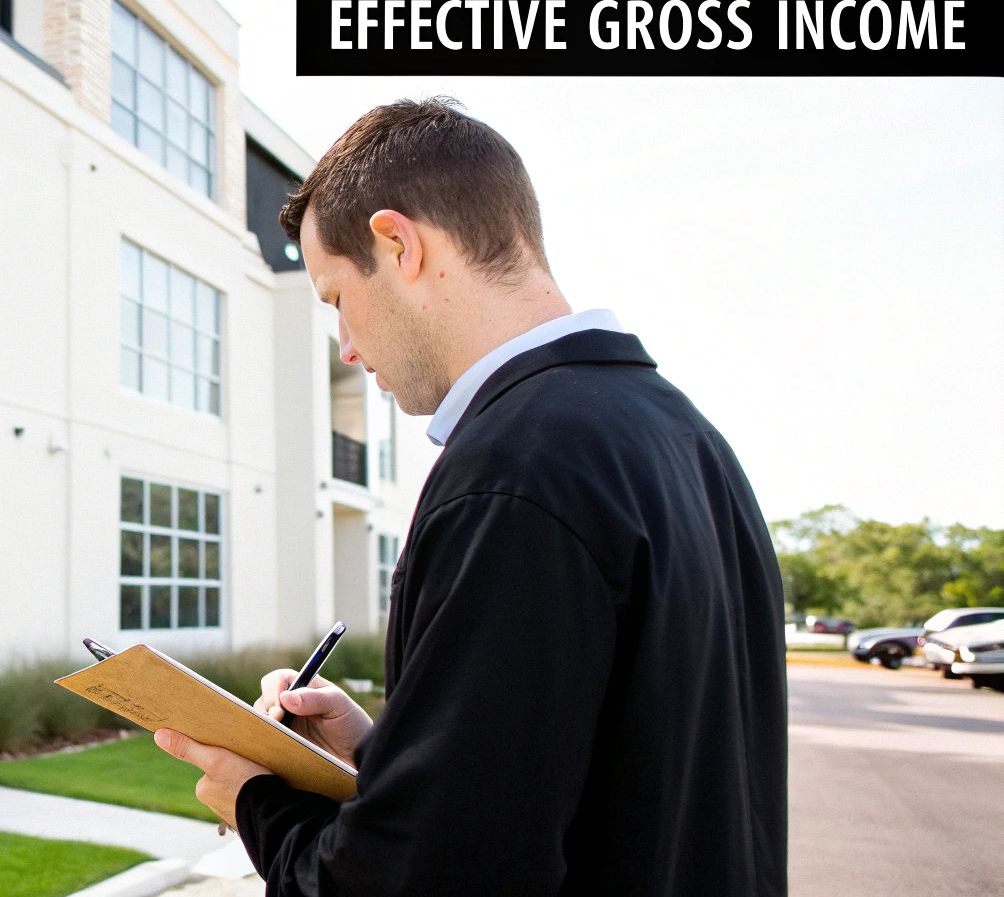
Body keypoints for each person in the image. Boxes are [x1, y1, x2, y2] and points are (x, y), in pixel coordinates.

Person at [152, 98, 787, 894]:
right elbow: (605, 773)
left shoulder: (512, 472)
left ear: (398, 243)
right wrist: (388, 752)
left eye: (337, 297)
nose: (346, 346)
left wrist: (255, 802)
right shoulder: (685, 439)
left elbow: (422, 880)